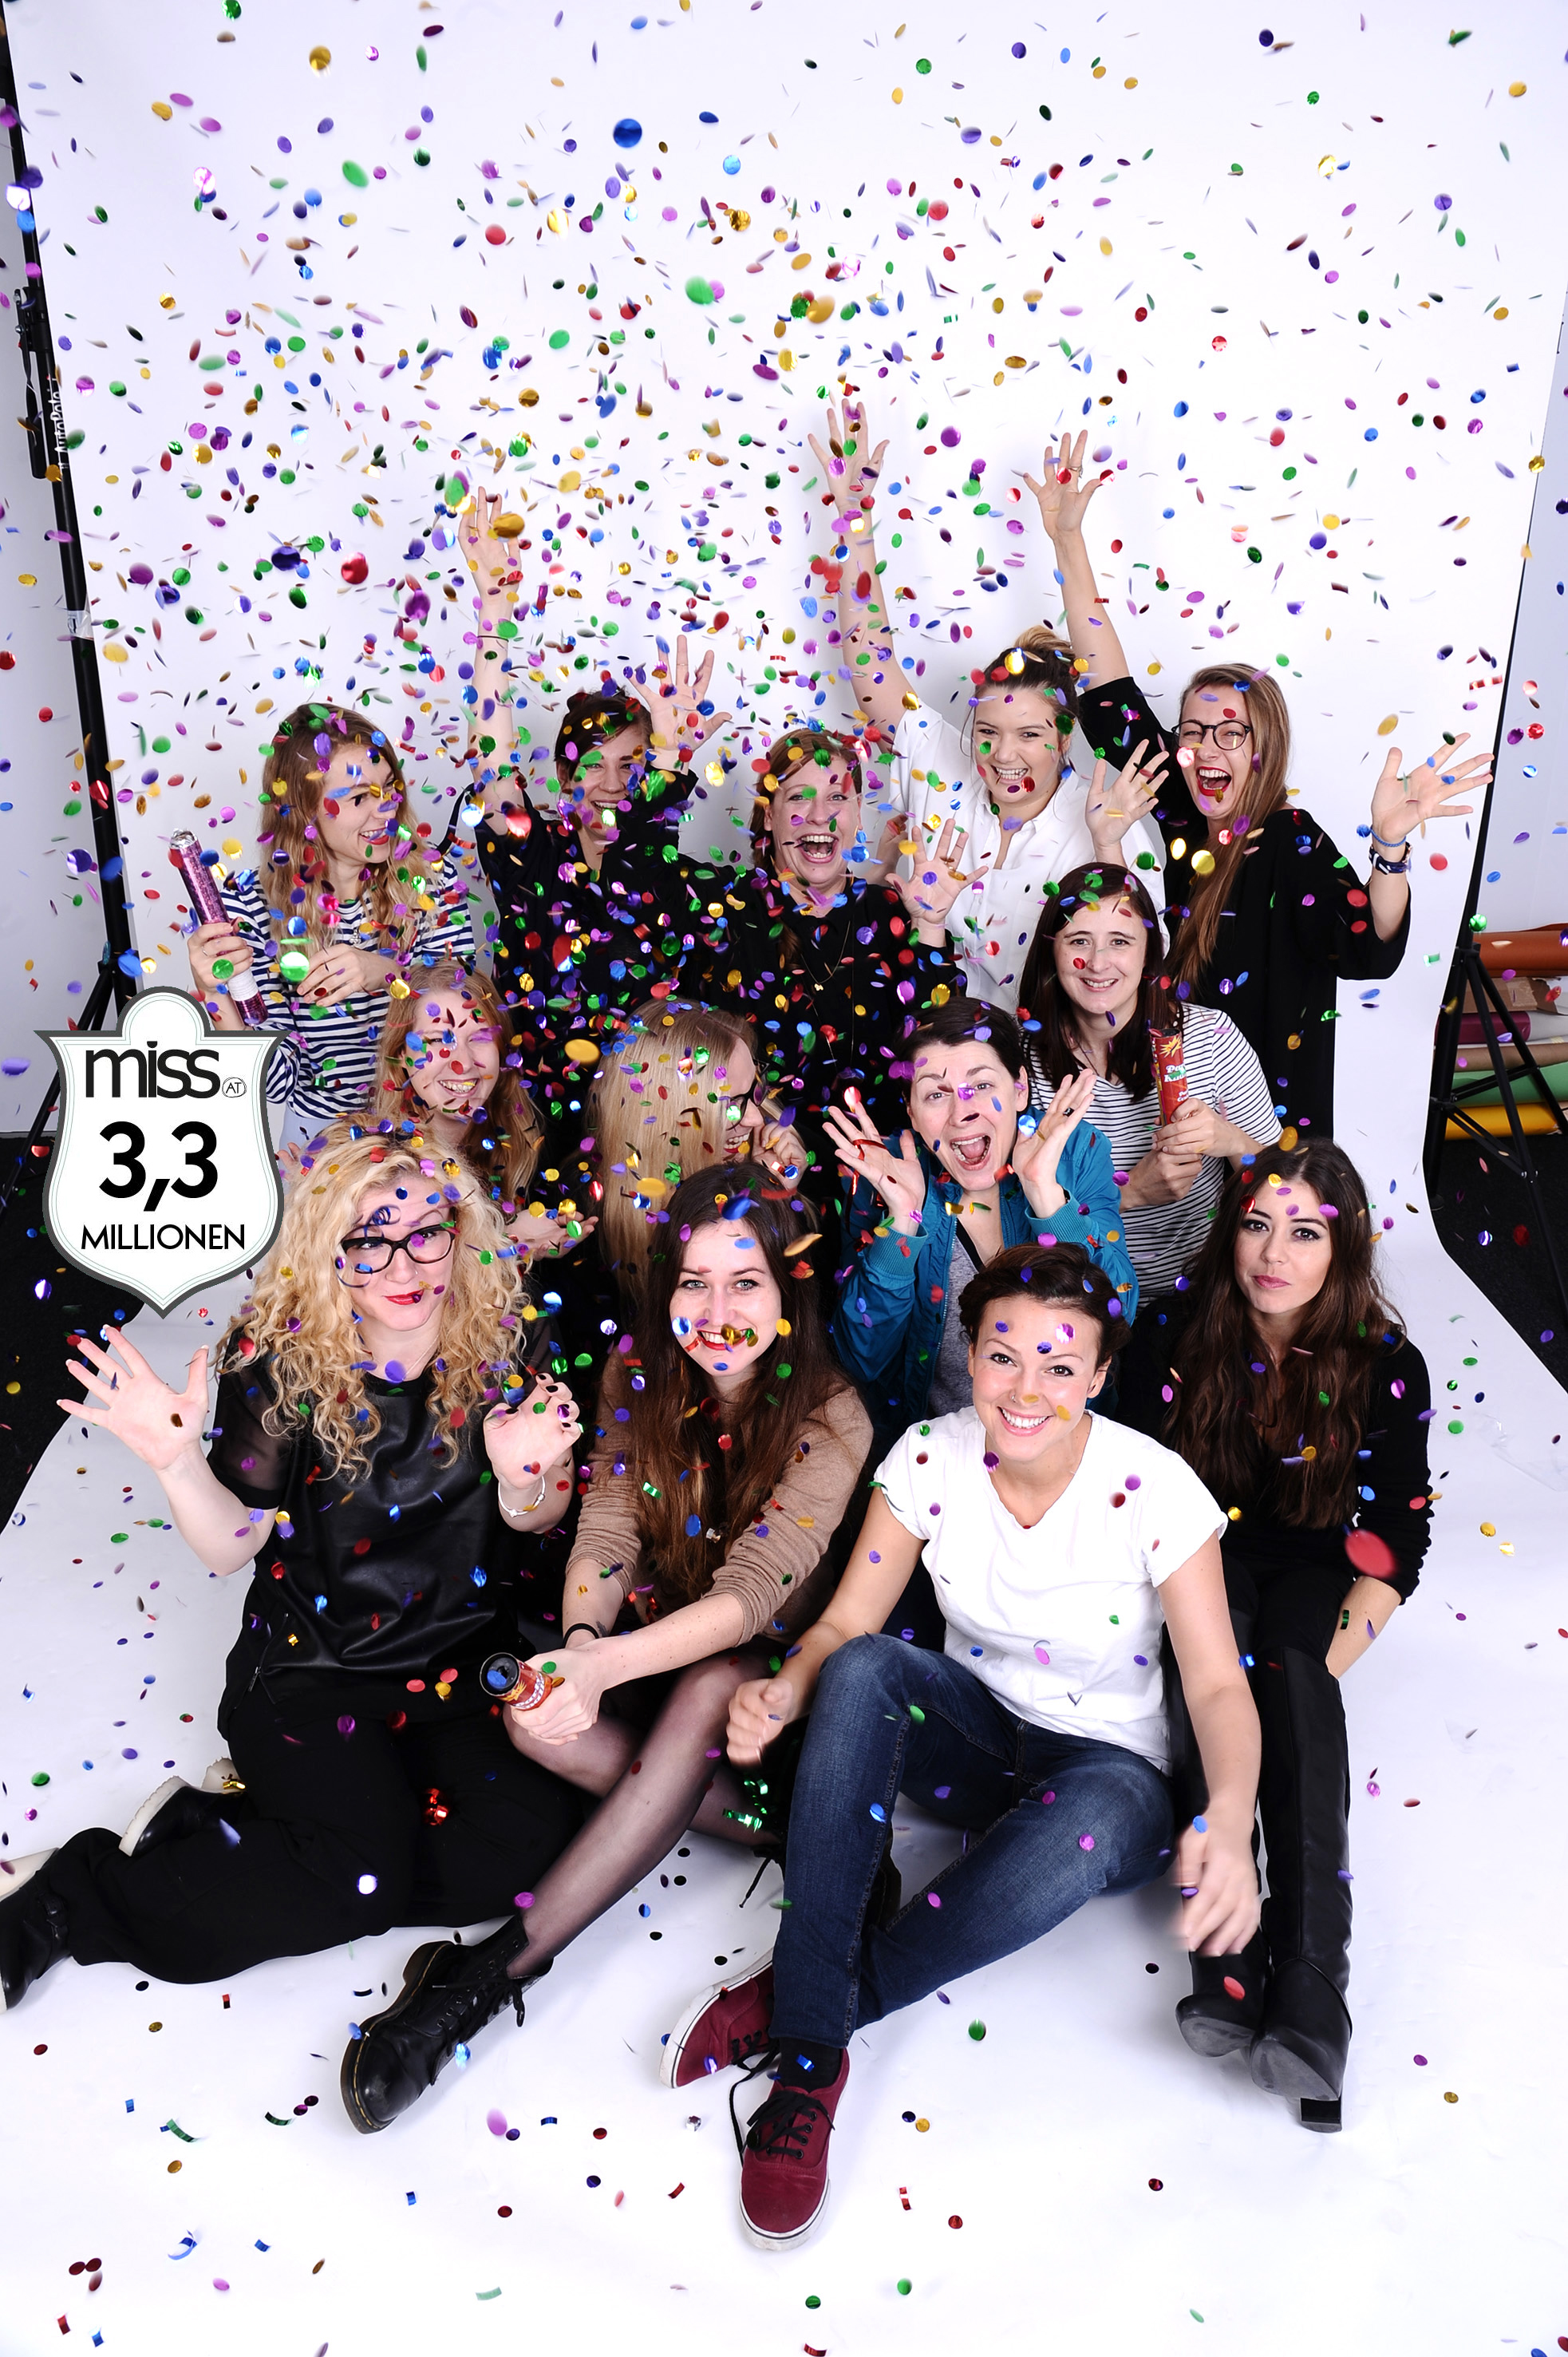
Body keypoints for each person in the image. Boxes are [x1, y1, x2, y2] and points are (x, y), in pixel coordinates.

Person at [660, 1242, 1259, 2249]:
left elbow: (1214, 1684)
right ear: (971, 1355)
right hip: (978, 1737)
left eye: (1059, 1366)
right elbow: (848, 1624)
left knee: (1092, 1815)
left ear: (1098, 1376)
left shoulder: (1156, 1487)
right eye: (1003, 1356)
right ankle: (818, 2024)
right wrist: (786, 1689)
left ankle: (807, 2026)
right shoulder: (929, 1457)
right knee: (864, 1669)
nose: (1026, 1390)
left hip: (1107, 1779)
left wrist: (1231, 1818)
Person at [340, 1165, 874, 2134]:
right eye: (694, 1281)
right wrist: (579, 1647)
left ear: (788, 1291)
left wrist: (602, 1666)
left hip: (778, 1704)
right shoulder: (638, 1370)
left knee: (711, 1681)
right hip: (651, 1666)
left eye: (745, 1282)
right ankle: (808, 1842)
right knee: (532, 1722)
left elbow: (751, 1600)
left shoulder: (835, 1414)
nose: (716, 1312)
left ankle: (488, 1971)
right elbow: (607, 1532)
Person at [1, 1137, 584, 2017]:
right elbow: (231, 1544)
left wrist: (521, 1477)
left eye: (426, 1233)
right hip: (312, 1670)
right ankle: (69, 1894)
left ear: (460, 1234)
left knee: (520, 1853)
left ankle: (216, 1833)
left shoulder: (517, 1336)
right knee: (360, 1878)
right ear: (327, 1251)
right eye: (368, 1242)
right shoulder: (280, 1357)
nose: (404, 1265)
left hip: (461, 1667)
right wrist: (174, 1461)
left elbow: (541, 1514)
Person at [1029, 429, 1492, 1141]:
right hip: (1176, 1109)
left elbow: (1369, 950)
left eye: (1231, 733)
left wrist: (1390, 849)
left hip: (1269, 1134)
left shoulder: (1288, 840)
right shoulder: (1180, 811)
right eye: (1192, 731)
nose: (1207, 747)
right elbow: (1109, 693)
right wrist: (1067, 540)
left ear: (1261, 749)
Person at [1116, 1141, 1433, 2130]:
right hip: (1196, 1554)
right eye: (1256, 1224)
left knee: (1291, 1670)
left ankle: (1311, 1988)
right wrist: (1217, 1663)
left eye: (1304, 1232)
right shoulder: (1172, 1331)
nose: (1273, 1253)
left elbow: (1396, 1546)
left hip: (1314, 1569)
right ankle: (1226, 1953)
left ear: (1344, 1249)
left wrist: (1310, 1676)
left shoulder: (1387, 1365)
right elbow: (1133, 1489)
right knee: (1199, 1672)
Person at [807, 395, 1168, 1010]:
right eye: (988, 731)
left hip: (1053, 1056)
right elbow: (872, 670)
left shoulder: (1104, 819)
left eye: (1028, 734)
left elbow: (1140, 967)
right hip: (941, 1043)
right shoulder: (942, 765)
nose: (1003, 754)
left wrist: (1107, 844)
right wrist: (854, 522)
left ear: (1063, 737)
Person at [458, 491, 732, 1123]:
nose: (611, 783)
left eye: (630, 764)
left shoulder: (683, 883)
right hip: (538, 1128)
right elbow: (492, 765)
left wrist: (668, 758)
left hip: (656, 1131)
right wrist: (495, 612)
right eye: (591, 764)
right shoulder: (533, 859)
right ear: (562, 776)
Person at [829, 997, 1136, 1451]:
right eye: (936, 1094)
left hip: (1060, 1442)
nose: (962, 1113)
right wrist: (901, 1224)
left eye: (981, 1084)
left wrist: (1045, 1194)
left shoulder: (1076, 1151)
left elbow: (1117, 1315)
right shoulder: (881, 1170)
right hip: (933, 1449)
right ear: (912, 1112)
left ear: (1020, 1089)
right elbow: (861, 1360)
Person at [184, 702, 479, 1145]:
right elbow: (275, 1082)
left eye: (389, 788)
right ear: (305, 812)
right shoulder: (249, 907)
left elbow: (468, 1019)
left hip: (426, 1130)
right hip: (321, 1142)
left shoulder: (433, 881)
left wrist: (390, 975)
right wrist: (215, 994)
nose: (387, 811)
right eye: (359, 798)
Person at [697, 719, 969, 1178]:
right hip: (763, 1179)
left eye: (837, 797)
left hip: (888, 1179)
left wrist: (930, 925)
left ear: (858, 814)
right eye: (798, 797)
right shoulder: (727, 913)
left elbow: (943, 1049)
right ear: (769, 815)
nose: (819, 815)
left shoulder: (892, 910)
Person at [1018, 862, 1280, 1300]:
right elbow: (1009, 1217)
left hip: (1200, 1300)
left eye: (1119, 941)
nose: (1097, 963)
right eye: (1079, 940)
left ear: (1148, 954)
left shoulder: (1211, 1037)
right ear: (1051, 951)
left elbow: (1282, 1189)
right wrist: (1130, 1194)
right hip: (1071, 1303)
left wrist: (1232, 1140)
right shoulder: (1016, 1060)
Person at [363, 959, 595, 1269]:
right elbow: (404, 1281)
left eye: (480, 1038)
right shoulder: (376, 1169)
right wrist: (505, 1243)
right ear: (402, 1055)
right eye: (437, 1040)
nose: (463, 1063)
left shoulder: (534, 1143)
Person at [583, 998, 811, 1302]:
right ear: (663, 1115)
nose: (756, 1119)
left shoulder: (763, 1162)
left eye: (753, 1092)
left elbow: (790, 1310)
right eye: (730, 1107)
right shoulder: (586, 1222)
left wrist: (772, 1196)